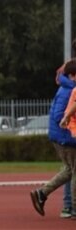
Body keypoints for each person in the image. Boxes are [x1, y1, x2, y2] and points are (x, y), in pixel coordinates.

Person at [30, 59, 76, 218]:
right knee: (74, 171)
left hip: (64, 137)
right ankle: (73, 207)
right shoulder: (69, 90)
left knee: (69, 170)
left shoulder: (68, 87)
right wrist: (70, 126)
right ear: (72, 75)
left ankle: (42, 193)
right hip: (67, 138)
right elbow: (59, 115)